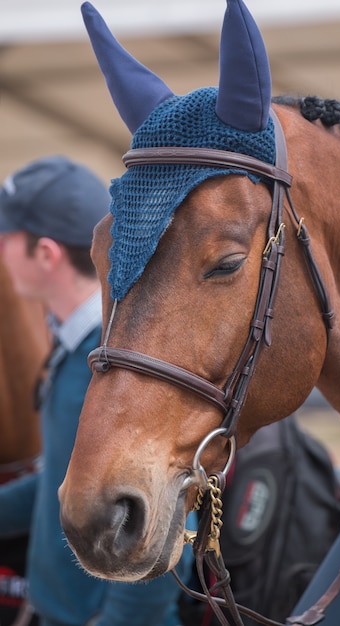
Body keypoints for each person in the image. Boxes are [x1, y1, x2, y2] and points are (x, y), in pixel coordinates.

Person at [0, 155, 196, 626]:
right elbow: (57, 485)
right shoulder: (74, 349)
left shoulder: (117, 369)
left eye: (6, 238)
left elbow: (167, 521)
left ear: (45, 254)